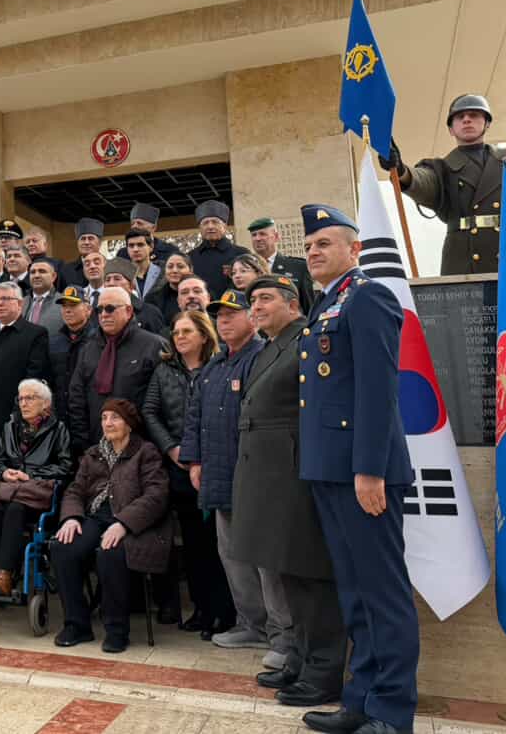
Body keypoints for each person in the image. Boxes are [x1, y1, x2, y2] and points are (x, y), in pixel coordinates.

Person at [297, 205, 418, 734]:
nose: (314, 252)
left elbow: (376, 389)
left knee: (383, 594)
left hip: (362, 474)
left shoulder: (368, 296)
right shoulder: (327, 303)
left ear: (355, 249)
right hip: (329, 470)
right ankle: (361, 701)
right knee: (355, 594)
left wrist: (368, 469)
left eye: (325, 242)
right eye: (308, 246)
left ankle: (392, 713)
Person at [239, 275, 347, 707]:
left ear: (293, 304)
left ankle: (324, 671)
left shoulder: (307, 339)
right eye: (253, 300)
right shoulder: (271, 346)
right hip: (270, 476)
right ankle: (301, 658)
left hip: (295, 472)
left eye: (265, 298)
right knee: (287, 574)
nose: (256, 305)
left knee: (309, 576)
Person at [178, 296, 283, 647]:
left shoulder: (262, 357)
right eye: (219, 316)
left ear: (252, 317)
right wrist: (194, 461)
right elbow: (194, 417)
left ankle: (281, 632)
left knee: (265, 559)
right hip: (219, 478)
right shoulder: (214, 366)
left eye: (231, 314)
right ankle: (251, 625)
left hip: (255, 477)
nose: (224, 322)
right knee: (233, 556)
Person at [383, 93, 506, 275]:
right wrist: (400, 171)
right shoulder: (442, 168)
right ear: (451, 129)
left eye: (474, 115)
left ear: (487, 123)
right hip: (463, 264)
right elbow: (423, 181)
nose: (466, 120)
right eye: (460, 117)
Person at [50, 397, 170, 653]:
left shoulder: (145, 452)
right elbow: (75, 491)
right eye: (104, 418)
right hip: (96, 517)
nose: (108, 423)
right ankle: (77, 625)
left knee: (110, 553)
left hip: (135, 523)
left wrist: (123, 523)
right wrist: (71, 517)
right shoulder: (93, 454)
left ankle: (117, 630)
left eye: (114, 417)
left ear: (129, 424)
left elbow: (156, 495)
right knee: (63, 547)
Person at [142, 310, 233, 635]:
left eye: (186, 331)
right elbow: (150, 411)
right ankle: (201, 609)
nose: (179, 337)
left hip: (216, 466)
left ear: (204, 336)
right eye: (176, 331)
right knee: (193, 545)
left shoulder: (220, 365)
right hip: (180, 467)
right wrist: (172, 448)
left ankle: (225, 611)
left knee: (218, 544)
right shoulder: (165, 369)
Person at [0, 379, 71, 599]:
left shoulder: (58, 429)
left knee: (14, 510)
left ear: (45, 403)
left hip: (36, 496)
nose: (24, 403)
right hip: (9, 491)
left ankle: (4, 577)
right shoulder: (9, 427)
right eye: (20, 398)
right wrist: (5, 473)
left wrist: (30, 476)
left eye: (30, 398)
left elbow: (65, 467)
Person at [66, 287, 167, 455]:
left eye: (110, 308)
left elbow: (164, 403)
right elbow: (77, 398)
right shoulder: (88, 349)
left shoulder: (153, 345)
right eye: (99, 309)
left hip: (141, 449)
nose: (104, 314)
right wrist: (83, 444)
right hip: (96, 447)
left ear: (128, 311)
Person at [0, 282, 50, 473]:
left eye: (6, 299)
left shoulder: (35, 334)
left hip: (18, 418)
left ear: (20, 304)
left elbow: (35, 376)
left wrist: (22, 412)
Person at [247, 218, 315, 313]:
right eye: (254, 235)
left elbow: (309, 306)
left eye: (262, 234)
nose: (257, 238)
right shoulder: (245, 269)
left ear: (276, 237)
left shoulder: (298, 267)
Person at [49, 287, 95, 420]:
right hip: (60, 416)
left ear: (88, 310)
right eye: (64, 306)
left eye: (73, 305)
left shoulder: (99, 341)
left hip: (89, 416)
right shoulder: (53, 341)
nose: (67, 310)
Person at [189, 201, 249, 300]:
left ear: (225, 226)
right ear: (200, 227)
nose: (210, 226)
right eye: (205, 223)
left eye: (215, 222)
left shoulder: (241, 253)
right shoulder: (190, 257)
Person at [104, 262, 166, 335]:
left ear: (131, 285)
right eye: (107, 280)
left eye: (117, 279)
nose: (111, 283)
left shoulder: (150, 313)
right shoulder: (100, 312)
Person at [118, 228, 162, 303]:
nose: (135, 249)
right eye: (131, 246)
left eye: (140, 245)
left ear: (151, 247)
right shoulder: (120, 276)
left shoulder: (162, 274)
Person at [22, 259, 62, 340]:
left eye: (42, 271)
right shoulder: (20, 303)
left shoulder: (63, 302)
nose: (36, 275)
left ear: (53, 276)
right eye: (32, 272)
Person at [149, 252, 193, 326]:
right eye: (170, 267)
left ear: (191, 270)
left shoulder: (204, 294)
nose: (174, 270)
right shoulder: (152, 299)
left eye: (180, 266)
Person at [59, 218, 104, 290]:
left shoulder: (110, 267)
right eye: (83, 239)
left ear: (99, 242)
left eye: (90, 238)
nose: (86, 242)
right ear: (77, 243)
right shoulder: (66, 271)